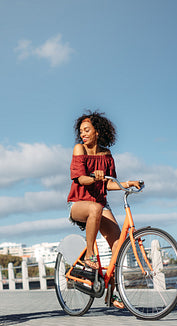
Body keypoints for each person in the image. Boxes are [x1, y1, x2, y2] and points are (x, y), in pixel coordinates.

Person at [67, 110, 142, 309]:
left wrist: (127, 183)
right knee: (95, 209)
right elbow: (81, 179)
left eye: (87, 130)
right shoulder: (79, 149)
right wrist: (94, 178)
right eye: (81, 131)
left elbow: (109, 184)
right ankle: (90, 255)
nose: (83, 134)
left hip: (100, 204)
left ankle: (113, 293)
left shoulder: (107, 154)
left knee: (118, 244)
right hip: (78, 202)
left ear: (98, 131)